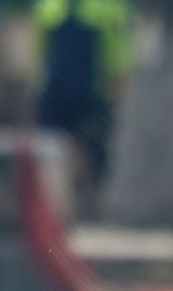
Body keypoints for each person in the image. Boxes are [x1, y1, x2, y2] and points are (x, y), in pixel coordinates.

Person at [32, 0, 129, 186]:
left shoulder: (109, 8)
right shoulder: (49, 6)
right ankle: (65, 203)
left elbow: (118, 54)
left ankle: (86, 194)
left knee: (92, 148)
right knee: (56, 150)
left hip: (90, 94)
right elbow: (40, 53)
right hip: (63, 94)